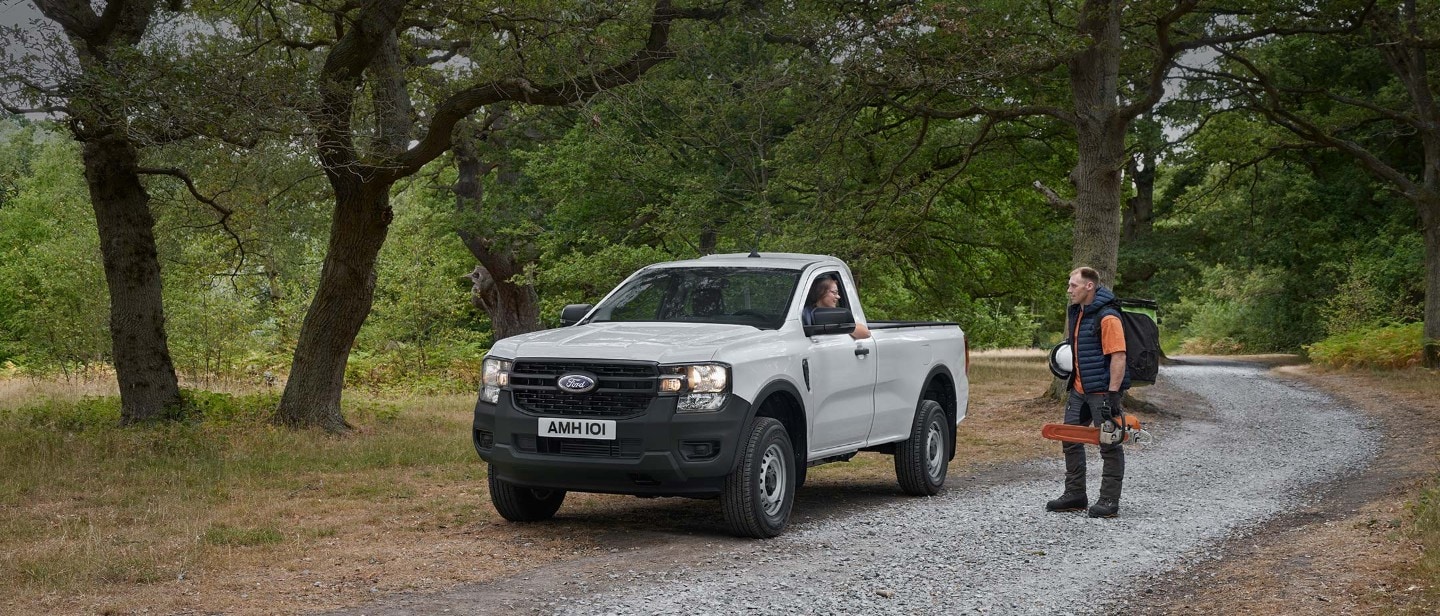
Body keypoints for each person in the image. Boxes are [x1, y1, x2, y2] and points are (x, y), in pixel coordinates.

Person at [1046, 266, 1128, 518]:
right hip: (1079, 389)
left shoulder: (1108, 317)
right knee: (1070, 438)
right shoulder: (1079, 313)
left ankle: (1109, 500)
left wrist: (1113, 395)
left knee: (1109, 445)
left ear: (1089, 286)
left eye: (1073, 285)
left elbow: (1119, 356)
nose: (1069, 290)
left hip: (1102, 392)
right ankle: (1075, 494)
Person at [803, 275, 871, 340]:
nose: (838, 297)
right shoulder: (805, 314)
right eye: (834, 292)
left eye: (837, 293)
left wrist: (843, 325)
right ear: (820, 292)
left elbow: (866, 333)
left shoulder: (836, 315)